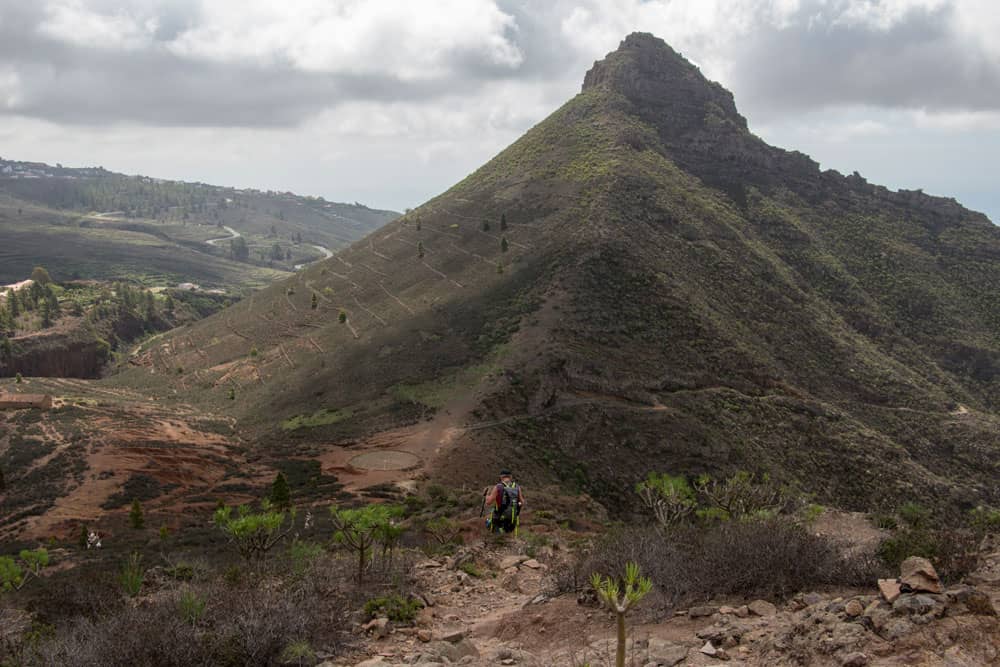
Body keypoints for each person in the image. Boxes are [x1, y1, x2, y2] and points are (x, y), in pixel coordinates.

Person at [484, 469, 524, 534]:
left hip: (499, 519)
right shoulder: (517, 487)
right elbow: (522, 502)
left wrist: (487, 495)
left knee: (488, 523)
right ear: (511, 477)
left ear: (501, 477)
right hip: (512, 519)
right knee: (508, 534)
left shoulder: (498, 487)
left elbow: (488, 502)